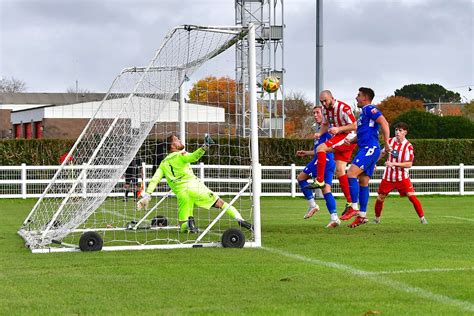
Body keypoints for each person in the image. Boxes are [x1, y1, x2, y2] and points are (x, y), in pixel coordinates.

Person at [137, 134, 253, 233]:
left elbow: (155, 179)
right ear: (173, 146)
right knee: (221, 203)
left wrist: (147, 195)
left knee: (182, 224)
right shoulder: (180, 155)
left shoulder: (163, 163)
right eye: (177, 140)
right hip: (194, 187)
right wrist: (205, 146)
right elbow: (194, 157)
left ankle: (189, 224)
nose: (180, 141)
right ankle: (240, 220)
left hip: (182, 194)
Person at [341, 87, 391, 228]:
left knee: (350, 173)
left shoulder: (370, 109)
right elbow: (363, 133)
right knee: (363, 182)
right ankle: (362, 216)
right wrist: (351, 141)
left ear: (365, 98)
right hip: (366, 148)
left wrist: (386, 142)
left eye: (358, 95)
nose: (356, 98)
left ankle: (354, 207)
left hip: (370, 148)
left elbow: (384, 123)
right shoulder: (363, 114)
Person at [305, 90, 357, 215]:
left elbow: (355, 126)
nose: (323, 103)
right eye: (321, 101)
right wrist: (320, 133)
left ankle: (320, 179)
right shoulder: (325, 110)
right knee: (340, 171)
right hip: (341, 137)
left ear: (332, 98)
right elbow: (325, 124)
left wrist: (339, 129)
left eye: (325, 101)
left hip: (348, 137)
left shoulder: (343, 108)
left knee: (321, 149)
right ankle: (350, 204)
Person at [374, 122, 427, 224]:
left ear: (405, 132)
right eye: (396, 130)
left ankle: (422, 218)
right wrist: (373, 163)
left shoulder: (408, 146)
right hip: (388, 177)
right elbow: (382, 153)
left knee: (411, 196)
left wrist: (393, 164)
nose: (397, 132)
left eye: (400, 130)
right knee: (380, 197)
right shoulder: (389, 141)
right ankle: (377, 219)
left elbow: (409, 164)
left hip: (402, 177)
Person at [296, 106, 340, 228]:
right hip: (322, 161)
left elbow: (334, 146)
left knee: (302, 178)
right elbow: (318, 150)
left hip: (324, 161)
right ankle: (334, 217)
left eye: (317, 113)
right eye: (313, 113)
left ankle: (313, 205)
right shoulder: (319, 130)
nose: (315, 115)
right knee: (326, 189)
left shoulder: (329, 129)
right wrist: (306, 152)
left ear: (324, 114)